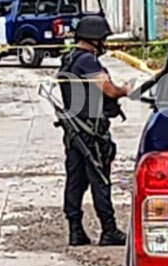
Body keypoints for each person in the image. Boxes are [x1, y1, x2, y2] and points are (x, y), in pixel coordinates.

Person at [55, 15, 130, 247]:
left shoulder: (69, 58)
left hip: (75, 133)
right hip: (91, 132)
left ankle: (75, 230)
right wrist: (124, 90)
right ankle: (109, 231)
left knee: (75, 181)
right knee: (100, 181)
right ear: (94, 39)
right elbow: (107, 90)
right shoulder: (88, 61)